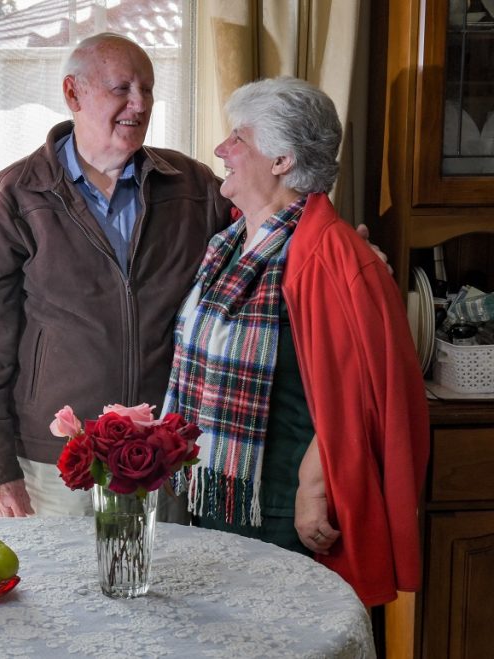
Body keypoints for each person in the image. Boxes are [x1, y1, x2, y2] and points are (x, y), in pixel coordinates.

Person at [162, 76, 429, 607]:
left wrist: (315, 488)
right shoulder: (231, 241)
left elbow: (356, 396)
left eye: (239, 138)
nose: (222, 150)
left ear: (282, 159)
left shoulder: (331, 256)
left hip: (282, 506)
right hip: (220, 487)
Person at [0, 33, 232, 517]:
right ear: (72, 93)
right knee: (62, 593)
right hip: (57, 462)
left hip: (167, 454)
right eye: (121, 88)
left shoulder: (195, 187)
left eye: (147, 88)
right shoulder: (15, 196)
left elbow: (271, 235)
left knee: (168, 590)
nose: (139, 104)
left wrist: (341, 243)